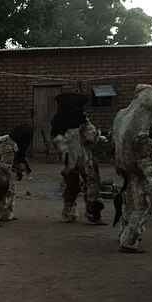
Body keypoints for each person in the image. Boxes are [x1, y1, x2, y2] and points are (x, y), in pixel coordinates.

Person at [112, 84, 152, 253]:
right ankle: (130, 239)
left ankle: (124, 232)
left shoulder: (123, 117)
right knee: (143, 205)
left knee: (129, 201)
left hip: (126, 169)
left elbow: (114, 146)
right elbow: (150, 164)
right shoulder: (143, 132)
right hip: (138, 172)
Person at [50, 92, 108, 224]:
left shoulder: (57, 120)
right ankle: (93, 213)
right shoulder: (81, 119)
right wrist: (101, 138)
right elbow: (91, 137)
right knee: (92, 183)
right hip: (85, 159)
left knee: (72, 185)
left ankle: (68, 213)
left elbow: (55, 140)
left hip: (68, 160)